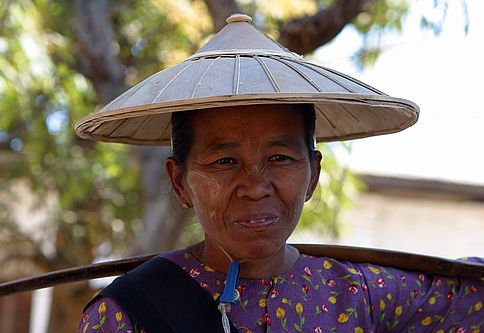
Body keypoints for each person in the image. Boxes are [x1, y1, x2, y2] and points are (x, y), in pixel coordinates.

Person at [75, 14, 484, 333]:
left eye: (281, 158)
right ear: (180, 182)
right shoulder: (126, 313)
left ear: (313, 174)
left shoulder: (362, 294)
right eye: (224, 162)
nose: (255, 187)